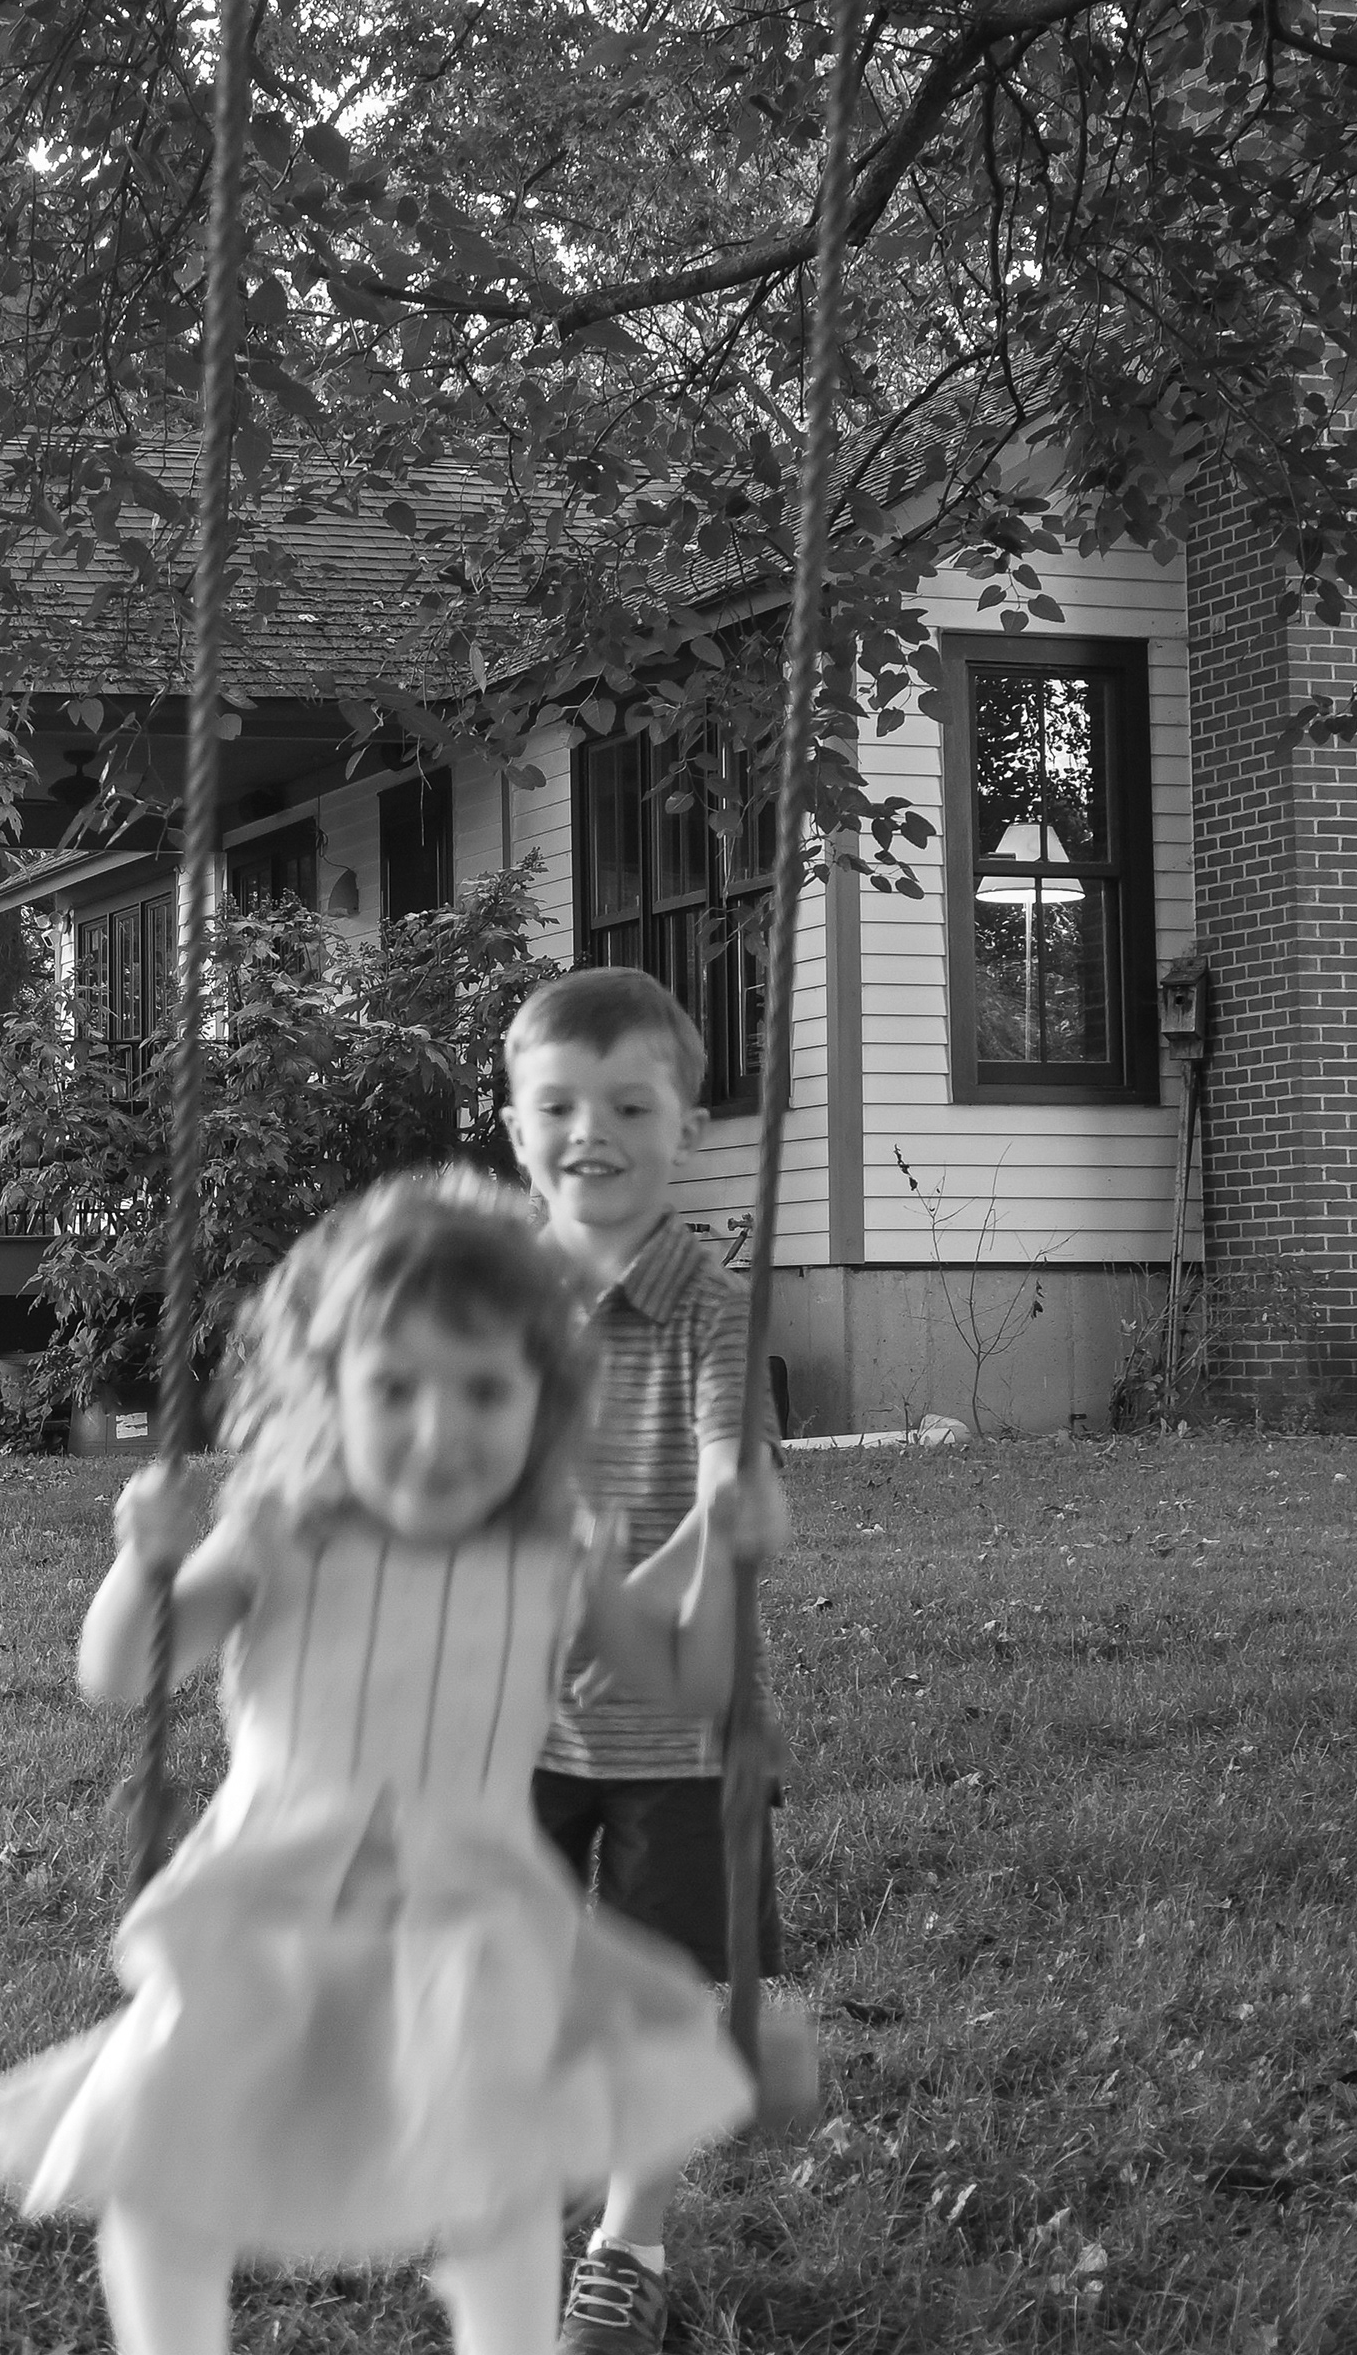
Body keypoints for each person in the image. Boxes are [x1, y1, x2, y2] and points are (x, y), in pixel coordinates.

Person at [0, 1170, 787, 2355]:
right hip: (268, 1901)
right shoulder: (281, 1531)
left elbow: (688, 1688)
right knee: (166, 2167)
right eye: (394, 1387)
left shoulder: (558, 1547)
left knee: (495, 2184)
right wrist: (140, 1567)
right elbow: (121, 1671)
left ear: (546, 1400)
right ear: (328, 1390)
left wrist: (724, 1548)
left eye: (484, 1390)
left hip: (476, 1913)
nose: (440, 1429)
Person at [499, 967, 789, 2355]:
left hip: (675, 1721)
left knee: (662, 1996)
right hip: (510, 1722)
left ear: (688, 1130)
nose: (590, 1132)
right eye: (558, 1104)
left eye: (629, 1103)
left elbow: (727, 1494)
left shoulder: (713, 1310)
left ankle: (629, 2240)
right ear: (514, 1130)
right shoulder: (493, 1308)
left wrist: (637, 1591)